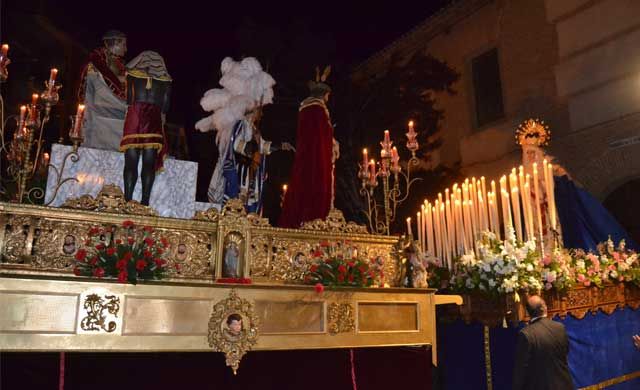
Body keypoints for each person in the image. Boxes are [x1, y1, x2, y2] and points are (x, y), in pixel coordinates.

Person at [518, 119, 637, 252]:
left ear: (540, 151)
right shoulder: (524, 179)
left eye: (533, 152)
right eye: (527, 152)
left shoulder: (554, 170)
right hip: (538, 222)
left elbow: (568, 191)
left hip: (559, 217)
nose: (530, 156)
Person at [195, 57, 292, 213]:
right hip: (240, 171)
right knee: (236, 209)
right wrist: (251, 151)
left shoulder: (254, 129)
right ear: (252, 109)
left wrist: (279, 146)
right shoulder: (240, 125)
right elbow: (235, 144)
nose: (261, 113)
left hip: (250, 174)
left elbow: (263, 146)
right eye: (259, 110)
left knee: (249, 210)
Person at [279, 66, 339, 228]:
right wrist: (332, 145)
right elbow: (322, 137)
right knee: (316, 185)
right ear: (324, 94)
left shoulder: (306, 110)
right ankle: (314, 222)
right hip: (318, 159)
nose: (328, 98)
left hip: (306, 157)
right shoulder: (318, 110)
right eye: (328, 95)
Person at [119, 51, 171, 206]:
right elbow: (165, 107)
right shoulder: (166, 81)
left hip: (134, 117)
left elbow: (129, 99)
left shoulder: (132, 76)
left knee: (130, 161)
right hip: (153, 119)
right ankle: (145, 202)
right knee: (149, 162)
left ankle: (127, 200)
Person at [77, 30, 128, 151]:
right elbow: (104, 86)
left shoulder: (120, 65)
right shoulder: (96, 64)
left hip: (113, 110)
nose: (126, 49)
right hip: (98, 112)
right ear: (115, 43)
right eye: (123, 45)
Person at [512, 295, 574, 390]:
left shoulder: (526, 334)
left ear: (528, 312)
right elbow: (566, 351)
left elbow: (521, 370)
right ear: (544, 308)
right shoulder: (560, 327)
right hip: (564, 384)